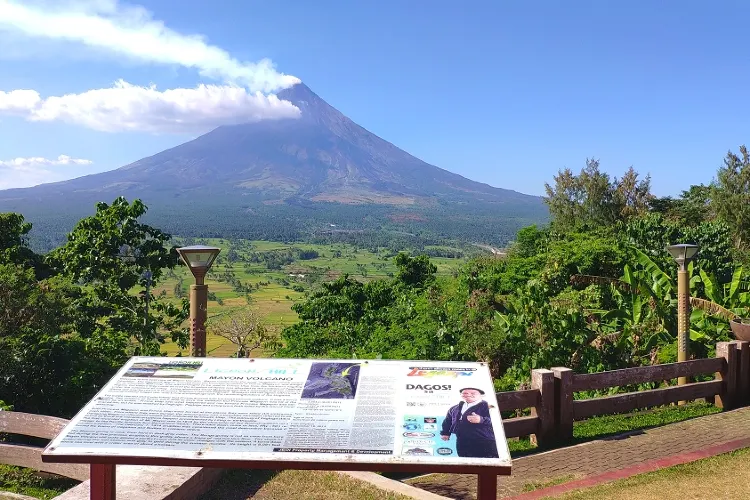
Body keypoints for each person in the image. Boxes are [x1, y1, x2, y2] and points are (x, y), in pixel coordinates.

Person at [440, 387, 498, 458]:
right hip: (462, 440)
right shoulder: (454, 408)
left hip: (484, 441)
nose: (468, 394)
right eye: (465, 393)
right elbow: (448, 421)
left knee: (487, 462)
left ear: (481, 395)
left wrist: (481, 419)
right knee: (465, 460)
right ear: (461, 395)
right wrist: (445, 433)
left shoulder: (489, 407)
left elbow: (497, 421)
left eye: (473, 393)